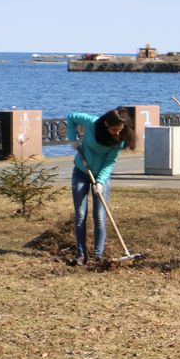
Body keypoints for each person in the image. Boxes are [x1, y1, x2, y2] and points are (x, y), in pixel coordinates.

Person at [65, 108, 137, 265]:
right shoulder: (92, 123)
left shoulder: (119, 139)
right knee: (80, 215)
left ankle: (98, 255)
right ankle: (81, 255)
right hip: (82, 171)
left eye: (120, 130)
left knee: (99, 216)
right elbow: (71, 117)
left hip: (101, 177)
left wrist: (100, 181)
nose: (117, 133)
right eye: (114, 129)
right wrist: (72, 139)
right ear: (106, 124)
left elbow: (110, 162)